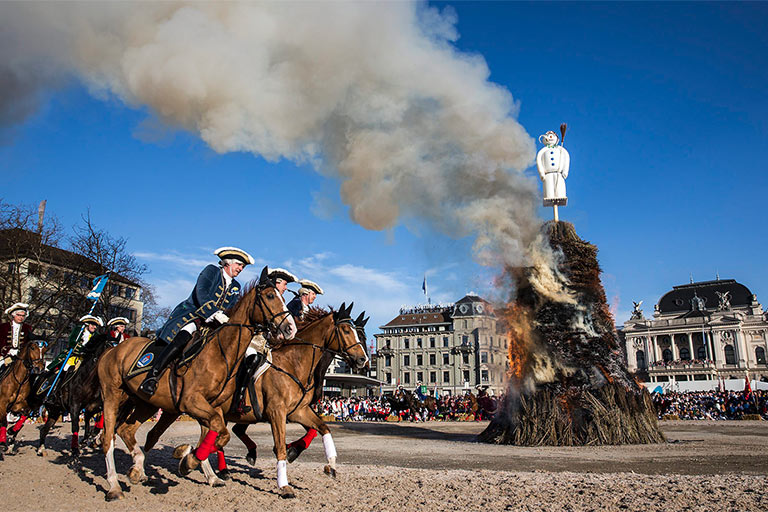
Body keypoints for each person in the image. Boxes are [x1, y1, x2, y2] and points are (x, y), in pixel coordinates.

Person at [138, 246, 254, 396]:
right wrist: (214, 312)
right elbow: (201, 292)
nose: (241, 269)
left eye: (242, 267)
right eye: (239, 265)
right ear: (228, 262)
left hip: (215, 323)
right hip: (194, 314)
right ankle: (152, 375)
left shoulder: (236, 286)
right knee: (185, 334)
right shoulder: (211, 271)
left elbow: (232, 307)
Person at [232, 266, 298, 413]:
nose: (286, 288)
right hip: (253, 339)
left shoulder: (280, 299)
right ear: (276, 283)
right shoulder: (266, 296)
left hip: (265, 343)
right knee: (253, 359)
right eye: (284, 284)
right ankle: (239, 398)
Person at [0, 303, 34, 372]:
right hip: (5, 355)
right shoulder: (3, 327)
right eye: (19, 315)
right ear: (13, 315)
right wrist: (5, 352)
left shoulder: (27, 328)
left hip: (21, 356)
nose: (21, 317)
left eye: (23, 316)